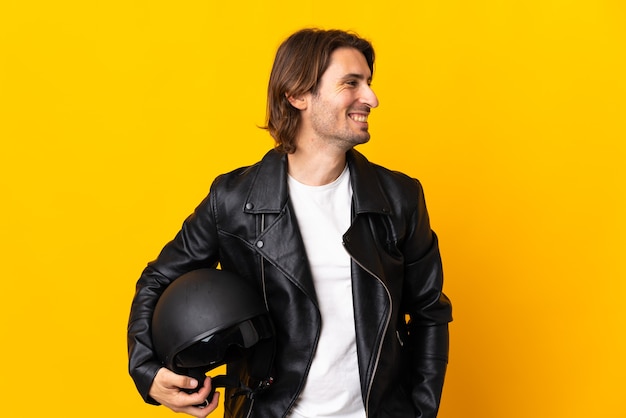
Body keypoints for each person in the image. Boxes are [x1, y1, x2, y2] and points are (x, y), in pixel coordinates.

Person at [128, 28, 453, 418]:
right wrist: (147, 371)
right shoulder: (232, 201)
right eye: (351, 83)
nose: (371, 98)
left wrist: (420, 411)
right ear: (297, 95)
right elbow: (157, 280)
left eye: (369, 83)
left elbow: (429, 312)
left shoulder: (399, 198)